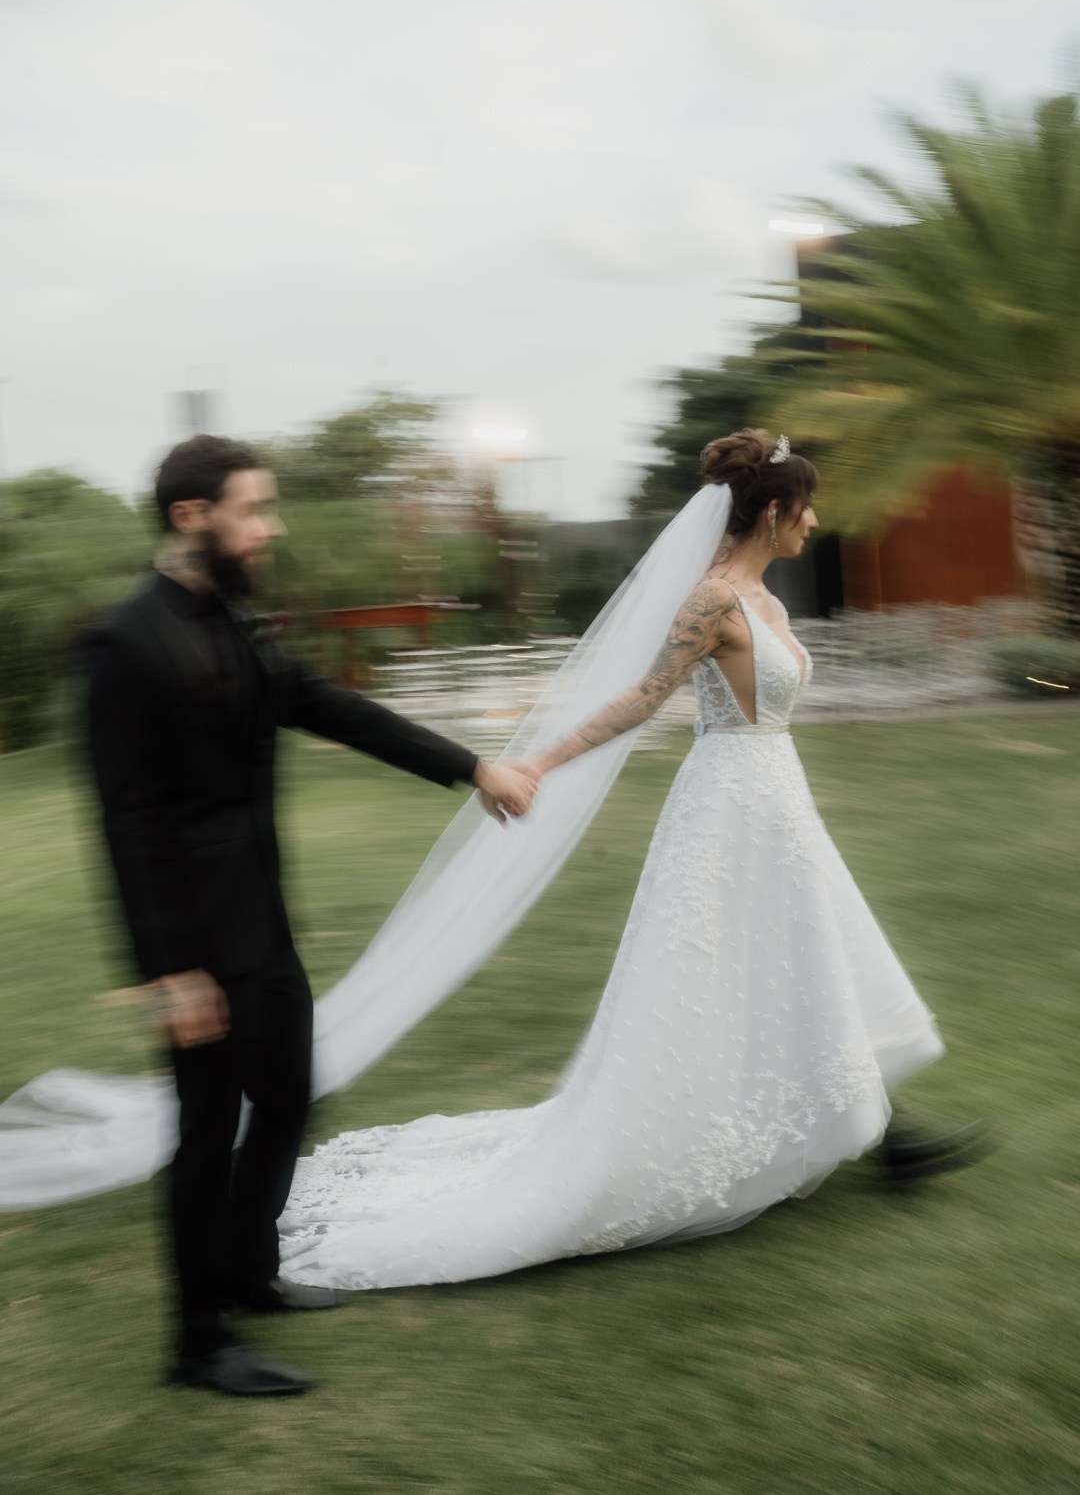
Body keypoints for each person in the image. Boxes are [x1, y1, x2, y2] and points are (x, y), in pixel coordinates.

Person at [274, 429, 985, 1292]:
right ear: (773, 511)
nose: (815, 522)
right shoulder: (712, 600)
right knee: (758, 968)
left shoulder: (767, 601)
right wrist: (538, 763)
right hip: (726, 810)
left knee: (806, 960)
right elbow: (643, 697)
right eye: (807, 508)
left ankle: (884, 1133)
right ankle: (879, 1138)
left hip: (780, 807)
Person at [82, 434, 536, 1397]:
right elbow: (126, 824)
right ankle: (197, 1342)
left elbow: (334, 707)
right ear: (191, 517)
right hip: (197, 948)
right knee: (207, 1131)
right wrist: (171, 972)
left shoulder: (235, 625)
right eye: (254, 510)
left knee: (290, 1095)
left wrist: (473, 768)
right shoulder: (125, 644)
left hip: (266, 927)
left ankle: (250, 1272)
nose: (271, 527)